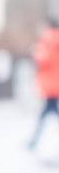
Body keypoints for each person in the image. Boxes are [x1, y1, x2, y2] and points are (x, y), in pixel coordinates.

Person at [29, 18, 59, 150]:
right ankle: (34, 140)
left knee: (46, 112)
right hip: (56, 84)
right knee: (49, 111)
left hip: (50, 84)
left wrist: (35, 53)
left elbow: (42, 59)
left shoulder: (47, 40)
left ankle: (34, 141)